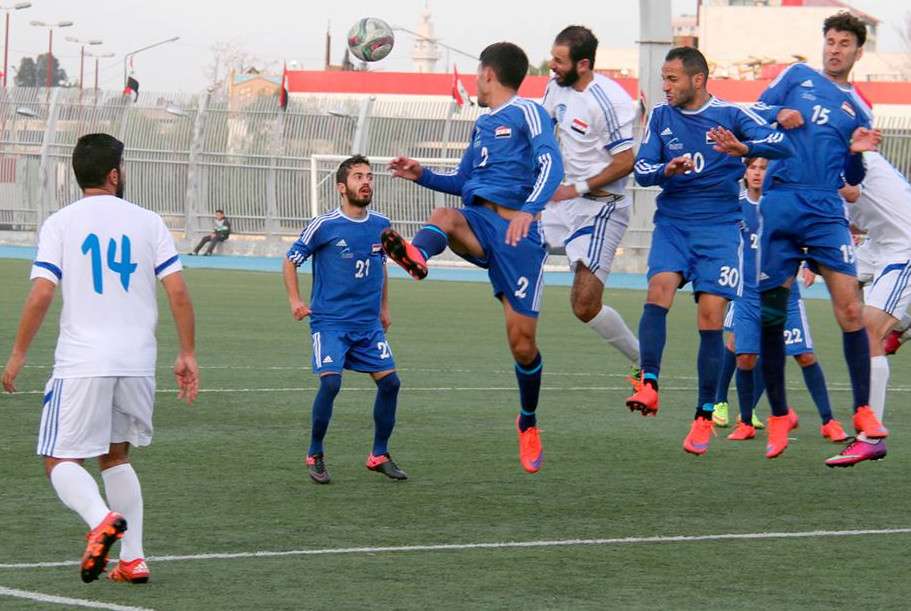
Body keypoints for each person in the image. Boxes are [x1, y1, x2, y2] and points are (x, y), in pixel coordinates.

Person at [1, 133, 199, 584]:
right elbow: (179, 292)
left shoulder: (61, 223)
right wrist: (187, 352)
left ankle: (99, 520)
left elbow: (42, 292)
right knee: (116, 456)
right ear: (114, 174)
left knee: (58, 458)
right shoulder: (149, 222)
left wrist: (17, 354)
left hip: (82, 361)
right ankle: (133, 559)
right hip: (136, 361)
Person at [380, 42, 563, 473]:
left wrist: (528, 210)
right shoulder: (480, 126)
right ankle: (415, 255)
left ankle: (528, 421)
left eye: (477, 75)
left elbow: (551, 166)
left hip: (519, 237)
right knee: (445, 216)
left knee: (522, 345)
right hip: (477, 224)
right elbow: (463, 181)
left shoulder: (528, 112)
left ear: (488, 74)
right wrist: (421, 174)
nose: (474, 83)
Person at [627, 46, 793, 457]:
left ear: (697, 80)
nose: (665, 86)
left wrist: (743, 149)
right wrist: (667, 169)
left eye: (672, 79)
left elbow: (780, 142)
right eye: (663, 79)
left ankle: (703, 416)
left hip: (719, 229)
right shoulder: (662, 118)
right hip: (674, 224)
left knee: (711, 316)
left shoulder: (731, 115)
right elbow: (642, 169)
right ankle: (648, 384)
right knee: (659, 289)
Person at [750, 11, 886, 460]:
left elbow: (852, 175)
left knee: (851, 308)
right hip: (781, 202)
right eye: (830, 40)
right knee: (772, 315)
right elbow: (754, 112)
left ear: (858, 52)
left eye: (844, 43)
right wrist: (778, 112)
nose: (834, 48)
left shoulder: (860, 108)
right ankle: (777, 416)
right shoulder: (795, 76)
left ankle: (863, 410)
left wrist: (856, 152)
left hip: (827, 209)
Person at [282, 155, 405, 484]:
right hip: (330, 323)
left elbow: (381, 266)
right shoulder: (324, 225)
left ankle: (379, 454)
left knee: (391, 383)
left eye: (369, 176)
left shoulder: (381, 224)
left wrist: (384, 308)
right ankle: (315, 453)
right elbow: (290, 260)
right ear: (341, 187)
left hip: (367, 326)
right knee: (331, 382)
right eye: (358, 177)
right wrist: (295, 301)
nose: (366, 182)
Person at [714, 157, 846, 444]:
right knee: (745, 357)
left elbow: (807, 235)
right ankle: (745, 421)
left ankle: (829, 421)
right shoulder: (735, 206)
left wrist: (810, 263)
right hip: (747, 296)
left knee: (805, 354)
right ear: (745, 173)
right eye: (753, 168)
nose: (758, 173)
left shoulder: (785, 204)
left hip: (784, 296)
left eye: (764, 168)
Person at [540, 25, 640, 368]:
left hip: (601, 209)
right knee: (509, 233)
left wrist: (577, 187)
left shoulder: (609, 101)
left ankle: (645, 362)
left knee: (584, 304)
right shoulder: (556, 87)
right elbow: (543, 132)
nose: (552, 65)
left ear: (583, 64)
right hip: (563, 200)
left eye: (559, 60)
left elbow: (627, 161)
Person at [825, 151, 911, 466]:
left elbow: (850, 190)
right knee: (837, 282)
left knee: (867, 331)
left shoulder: (850, 154)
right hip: (878, 244)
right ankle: (903, 324)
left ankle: (870, 438)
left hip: (904, 246)